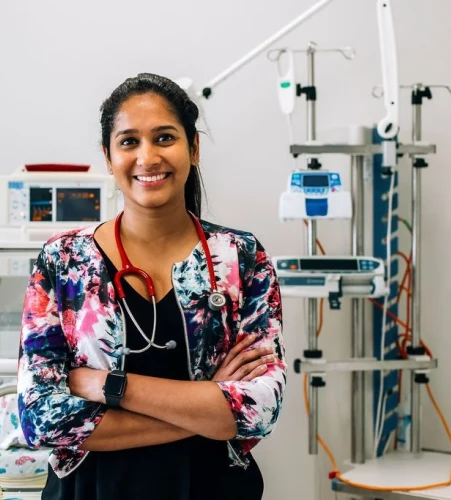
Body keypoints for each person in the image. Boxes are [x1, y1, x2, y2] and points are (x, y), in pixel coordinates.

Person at [17, 72, 287, 500]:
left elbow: (259, 410)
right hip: (91, 490)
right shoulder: (64, 261)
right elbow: (41, 418)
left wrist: (108, 386)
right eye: (128, 142)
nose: (148, 157)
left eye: (164, 138)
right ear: (108, 156)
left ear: (193, 147)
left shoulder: (241, 257)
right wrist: (209, 408)